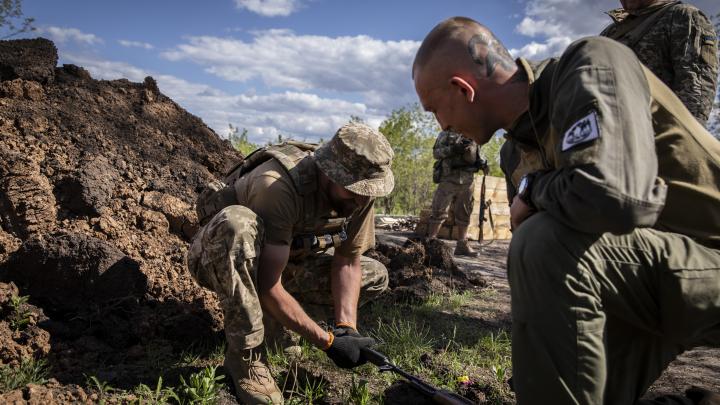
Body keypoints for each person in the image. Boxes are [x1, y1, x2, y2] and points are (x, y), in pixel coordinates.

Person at [413, 16, 720, 404]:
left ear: (462, 88)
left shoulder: (591, 63)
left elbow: (616, 196)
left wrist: (535, 188)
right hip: (646, 281)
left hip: (708, 259)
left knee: (541, 242)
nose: (442, 125)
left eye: (434, 111)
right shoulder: (515, 152)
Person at [187, 123, 394, 404]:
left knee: (374, 274)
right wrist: (327, 342)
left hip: (284, 262)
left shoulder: (359, 197)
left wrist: (346, 329)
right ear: (330, 172)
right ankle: (245, 356)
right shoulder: (277, 186)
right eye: (354, 190)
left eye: (367, 191)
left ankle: (277, 326)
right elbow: (267, 284)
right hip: (223, 257)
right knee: (237, 224)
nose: (361, 198)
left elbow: (347, 262)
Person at [600, 0, 718, 125]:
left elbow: (695, 89)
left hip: (655, 132)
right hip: (612, 131)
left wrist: (682, 137)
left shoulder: (682, 16)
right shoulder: (612, 31)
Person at [427, 129, 487, 257]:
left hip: (468, 179)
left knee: (465, 211)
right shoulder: (447, 133)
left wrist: (481, 163)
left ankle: (462, 245)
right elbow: (436, 153)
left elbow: (477, 155)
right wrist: (453, 149)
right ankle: (430, 244)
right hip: (449, 177)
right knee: (439, 209)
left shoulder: (473, 134)